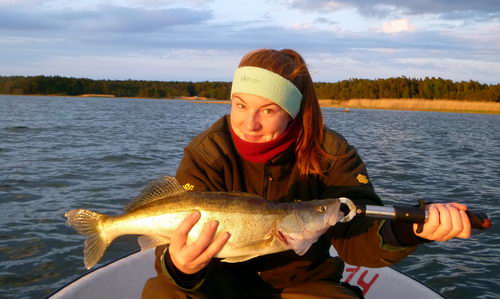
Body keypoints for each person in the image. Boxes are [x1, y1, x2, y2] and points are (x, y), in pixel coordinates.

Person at [142, 49, 471, 298]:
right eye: (240, 105)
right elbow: (173, 228)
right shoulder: (207, 152)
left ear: (292, 112)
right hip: (217, 281)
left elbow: (358, 238)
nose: (248, 123)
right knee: (163, 292)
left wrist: (409, 232)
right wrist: (181, 267)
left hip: (305, 283)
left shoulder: (332, 154)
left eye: (268, 110)